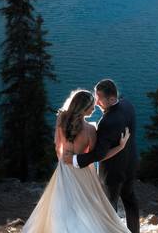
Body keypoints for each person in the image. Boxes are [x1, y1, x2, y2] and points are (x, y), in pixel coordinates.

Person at [21, 88, 131, 233]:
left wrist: (63, 161)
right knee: (86, 206)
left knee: (62, 205)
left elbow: (57, 145)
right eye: (91, 106)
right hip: (83, 171)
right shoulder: (91, 129)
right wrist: (120, 147)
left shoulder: (61, 119)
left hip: (64, 168)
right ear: (83, 108)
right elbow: (97, 156)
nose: (94, 108)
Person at [63, 79, 140, 233]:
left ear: (111, 99)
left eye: (99, 98)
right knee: (130, 199)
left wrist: (75, 159)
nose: (96, 101)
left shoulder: (107, 122)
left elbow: (99, 153)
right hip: (130, 164)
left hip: (112, 172)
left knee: (108, 207)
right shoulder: (127, 105)